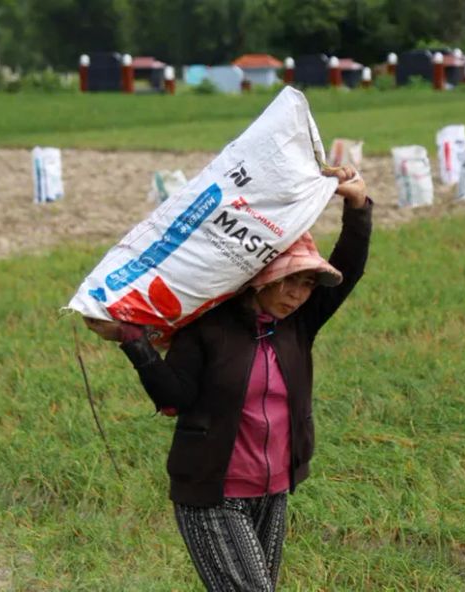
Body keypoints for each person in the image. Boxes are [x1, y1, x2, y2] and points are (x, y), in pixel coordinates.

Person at [84, 166, 372, 591]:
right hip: (212, 495)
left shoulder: (299, 324)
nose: (298, 293)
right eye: (289, 280)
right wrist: (133, 340)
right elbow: (175, 397)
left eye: (308, 282)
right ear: (261, 278)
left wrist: (358, 204)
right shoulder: (208, 328)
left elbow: (351, 264)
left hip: (272, 493)